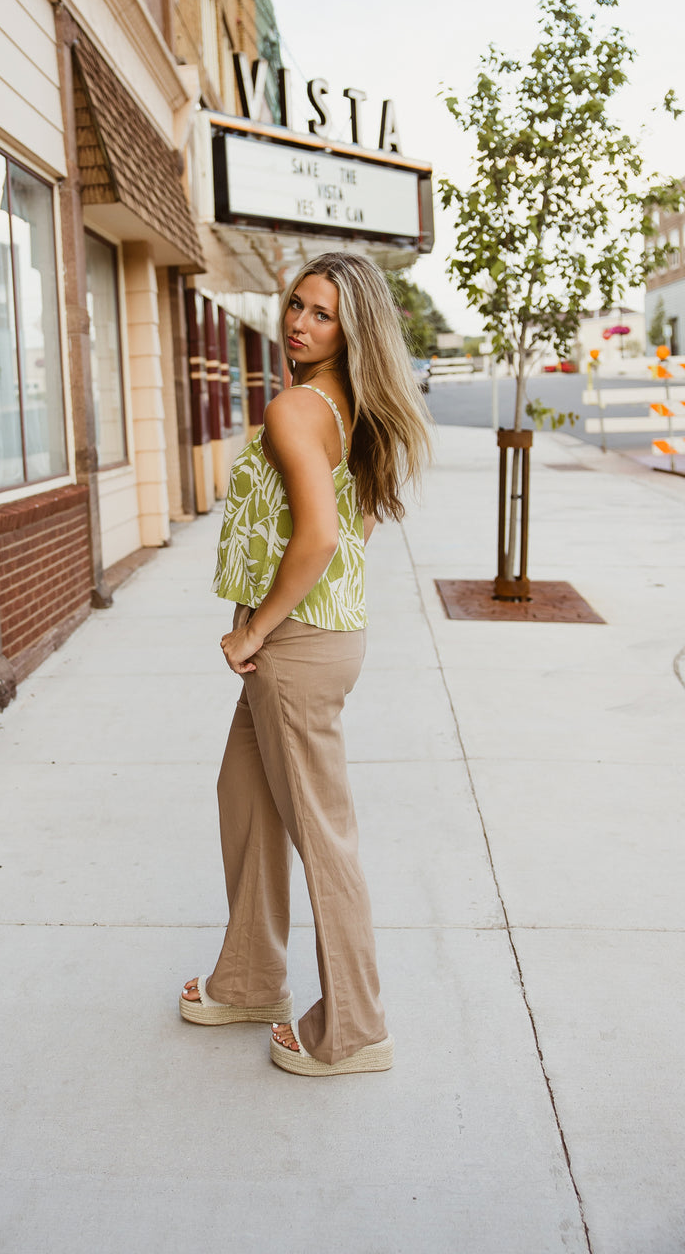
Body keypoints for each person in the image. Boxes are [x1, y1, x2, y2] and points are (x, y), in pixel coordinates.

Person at [179, 251, 432, 1076]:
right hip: (323, 636)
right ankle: (252, 979)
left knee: (323, 839)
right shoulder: (350, 407)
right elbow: (351, 530)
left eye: (322, 314)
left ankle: (354, 1029)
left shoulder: (296, 408)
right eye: (297, 304)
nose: (299, 322)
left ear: (349, 329)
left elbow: (321, 537)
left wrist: (257, 630)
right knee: (245, 796)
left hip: (296, 647)